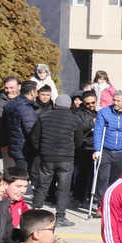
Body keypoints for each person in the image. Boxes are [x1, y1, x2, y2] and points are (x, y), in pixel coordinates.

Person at [29, 94, 87, 228]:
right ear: (69, 105)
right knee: (63, 188)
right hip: (66, 157)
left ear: (55, 104)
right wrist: (71, 149)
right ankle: (60, 217)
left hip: (47, 156)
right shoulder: (74, 119)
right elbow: (79, 140)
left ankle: (35, 213)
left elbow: (34, 138)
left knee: (42, 185)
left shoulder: (43, 117)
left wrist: (42, 150)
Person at [93, 90, 122, 196]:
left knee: (117, 179)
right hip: (105, 150)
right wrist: (97, 150)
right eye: (114, 100)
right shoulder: (104, 112)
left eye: (118, 101)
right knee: (103, 178)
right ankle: (102, 204)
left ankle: (113, 201)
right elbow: (98, 131)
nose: (115, 103)